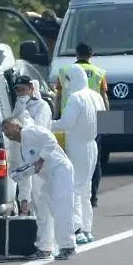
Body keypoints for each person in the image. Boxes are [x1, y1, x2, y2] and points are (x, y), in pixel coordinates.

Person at [2, 117, 77, 260]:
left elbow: (51, 140)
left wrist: (41, 159)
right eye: (3, 130)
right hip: (49, 177)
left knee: (61, 207)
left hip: (60, 170)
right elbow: (33, 167)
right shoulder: (22, 147)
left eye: (7, 128)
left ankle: (68, 246)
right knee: (42, 208)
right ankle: (45, 248)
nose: (6, 132)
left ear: (17, 126)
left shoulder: (31, 131)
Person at [51, 63, 105, 245]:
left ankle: (77, 229)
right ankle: (87, 228)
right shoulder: (96, 96)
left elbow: (65, 123)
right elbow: (104, 120)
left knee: (74, 187)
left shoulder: (75, 98)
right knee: (86, 188)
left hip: (78, 145)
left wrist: (46, 124)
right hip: (93, 145)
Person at [55, 43, 109, 207]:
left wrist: (55, 117)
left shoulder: (63, 71)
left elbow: (58, 97)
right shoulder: (99, 72)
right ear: (91, 54)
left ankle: (70, 195)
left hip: (69, 123)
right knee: (95, 160)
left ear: (76, 54)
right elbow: (104, 98)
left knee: (67, 160)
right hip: (93, 121)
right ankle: (92, 196)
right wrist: (108, 121)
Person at [9, 75, 55, 259]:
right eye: (17, 90)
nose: (20, 93)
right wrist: (19, 110)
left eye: (23, 89)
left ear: (30, 88)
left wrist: (25, 115)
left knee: (42, 205)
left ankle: (48, 245)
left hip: (40, 160)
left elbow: (39, 132)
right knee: (29, 202)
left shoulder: (41, 106)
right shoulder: (18, 106)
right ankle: (40, 245)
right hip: (25, 159)